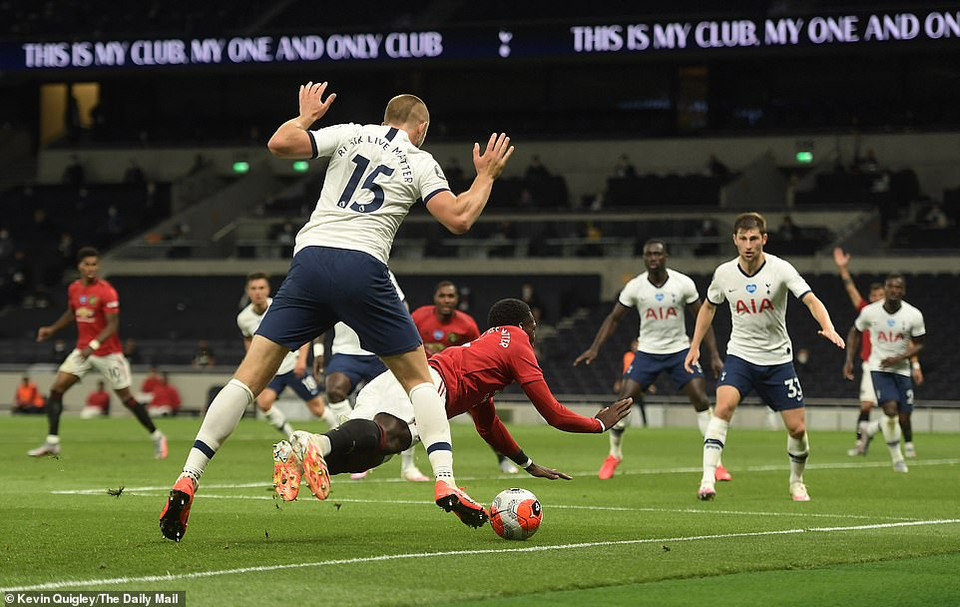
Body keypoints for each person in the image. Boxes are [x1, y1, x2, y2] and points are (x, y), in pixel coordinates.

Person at [160, 81, 514, 541]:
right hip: (363, 266)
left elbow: (280, 144)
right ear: (420, 128)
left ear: (387, 118)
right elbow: (460, 217)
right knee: (419, 381)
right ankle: (444, 481)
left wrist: (306, 117)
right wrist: (485, 175)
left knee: (245, 380)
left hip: (309, 262)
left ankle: (189, 475)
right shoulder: (421, 160)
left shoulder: (350, 132)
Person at [272, 299, 632, 506]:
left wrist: (528, 464)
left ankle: (297, 458)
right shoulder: (516, 340)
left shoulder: (481, 356)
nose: (534, 334)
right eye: (533, 326)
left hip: (397, 382)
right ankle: (316, 441)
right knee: (392, 437)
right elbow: (551, 411)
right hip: (426, 385)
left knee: (375, 453)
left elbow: (488, 425)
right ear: (524, 325)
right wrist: (597, 424)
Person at [684, 212, 844, 502]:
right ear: (734, 240)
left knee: (797, 428)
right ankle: (707, 479)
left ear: (764, 239)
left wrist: (828, 326)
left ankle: (797, 481)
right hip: (740, 357)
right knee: (723, 408)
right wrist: (695, 346)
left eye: (754, 238)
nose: (748, 244)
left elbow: (810, 299)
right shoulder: (724, 273)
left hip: (777, 361)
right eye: (743, 238)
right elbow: (708, 307)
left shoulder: (781, 270)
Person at [575, 240, 728, 481]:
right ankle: (614, 454)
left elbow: (703, 319)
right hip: (647, 352)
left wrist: (714, 355)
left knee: (700, 398)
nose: (653, 258)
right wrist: (595, 348)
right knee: (623, 402)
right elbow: (613, 319)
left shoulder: (683, 284)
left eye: (657, 253)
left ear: (665, 256)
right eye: (649, 254)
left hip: (679, 351)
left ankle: (716, 463)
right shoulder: (635, 287)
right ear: (644, 258)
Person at [29, 247, 167, 458]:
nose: (91, 268)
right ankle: (52, 442)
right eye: (87, 264)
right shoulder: (74, 288)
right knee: (56, 390)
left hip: (108, 354)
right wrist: (52, 329)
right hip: (83, 351)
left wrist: (92, 346)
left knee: (127, 399)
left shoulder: (107, 291)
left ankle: (157, 436)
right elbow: (71, 313)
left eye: (95, 264)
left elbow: (112, 326)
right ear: (79, 266)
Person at [315, 270, 425, 480]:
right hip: (346, 351)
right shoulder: (331, 275)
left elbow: (402, 307)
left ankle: (408, 466)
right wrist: (318, 350)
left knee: (403, 406)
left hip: (380, 350)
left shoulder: (380, 270)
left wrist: (403, 342)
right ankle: (354, 447)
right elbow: (322, 314)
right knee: (335, 390)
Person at [411, 281, 518, 475]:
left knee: (487, 421)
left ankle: (503, 459)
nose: (446, 300)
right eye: (442, 296)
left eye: (451, 296)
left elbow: (480, 351)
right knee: (411, 417)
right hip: (426, 379)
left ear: (457, 300)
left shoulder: (466, 324)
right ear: (435, 298)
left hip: (460, 383)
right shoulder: (419, 317)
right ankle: (408, 465)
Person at [833, 248, 923, 457]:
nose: (879, 298)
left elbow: (909, 342)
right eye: (876, 295)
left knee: (899, 412)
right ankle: (860, 443)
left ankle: (898, 441)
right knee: (866, 405)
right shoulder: (868, 312)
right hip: (872, 365)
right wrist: (843, 270)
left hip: (897, 367)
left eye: (880, 295)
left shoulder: (905, 315)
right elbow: (852, 293)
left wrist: (915, 364)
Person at [237, 272, 334, 436]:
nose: (258, 292)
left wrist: (301, 361)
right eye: (253, 288)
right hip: (271, 370)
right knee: (264, 402)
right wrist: (253, 361)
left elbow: (302, 334)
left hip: (292, 365)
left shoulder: (280, 308)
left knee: (318, 408)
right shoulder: (243, 318)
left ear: (268, 290)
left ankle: (338, 433)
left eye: (261, 288)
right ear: (248, 291)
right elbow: (248, 339)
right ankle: (291, 437)